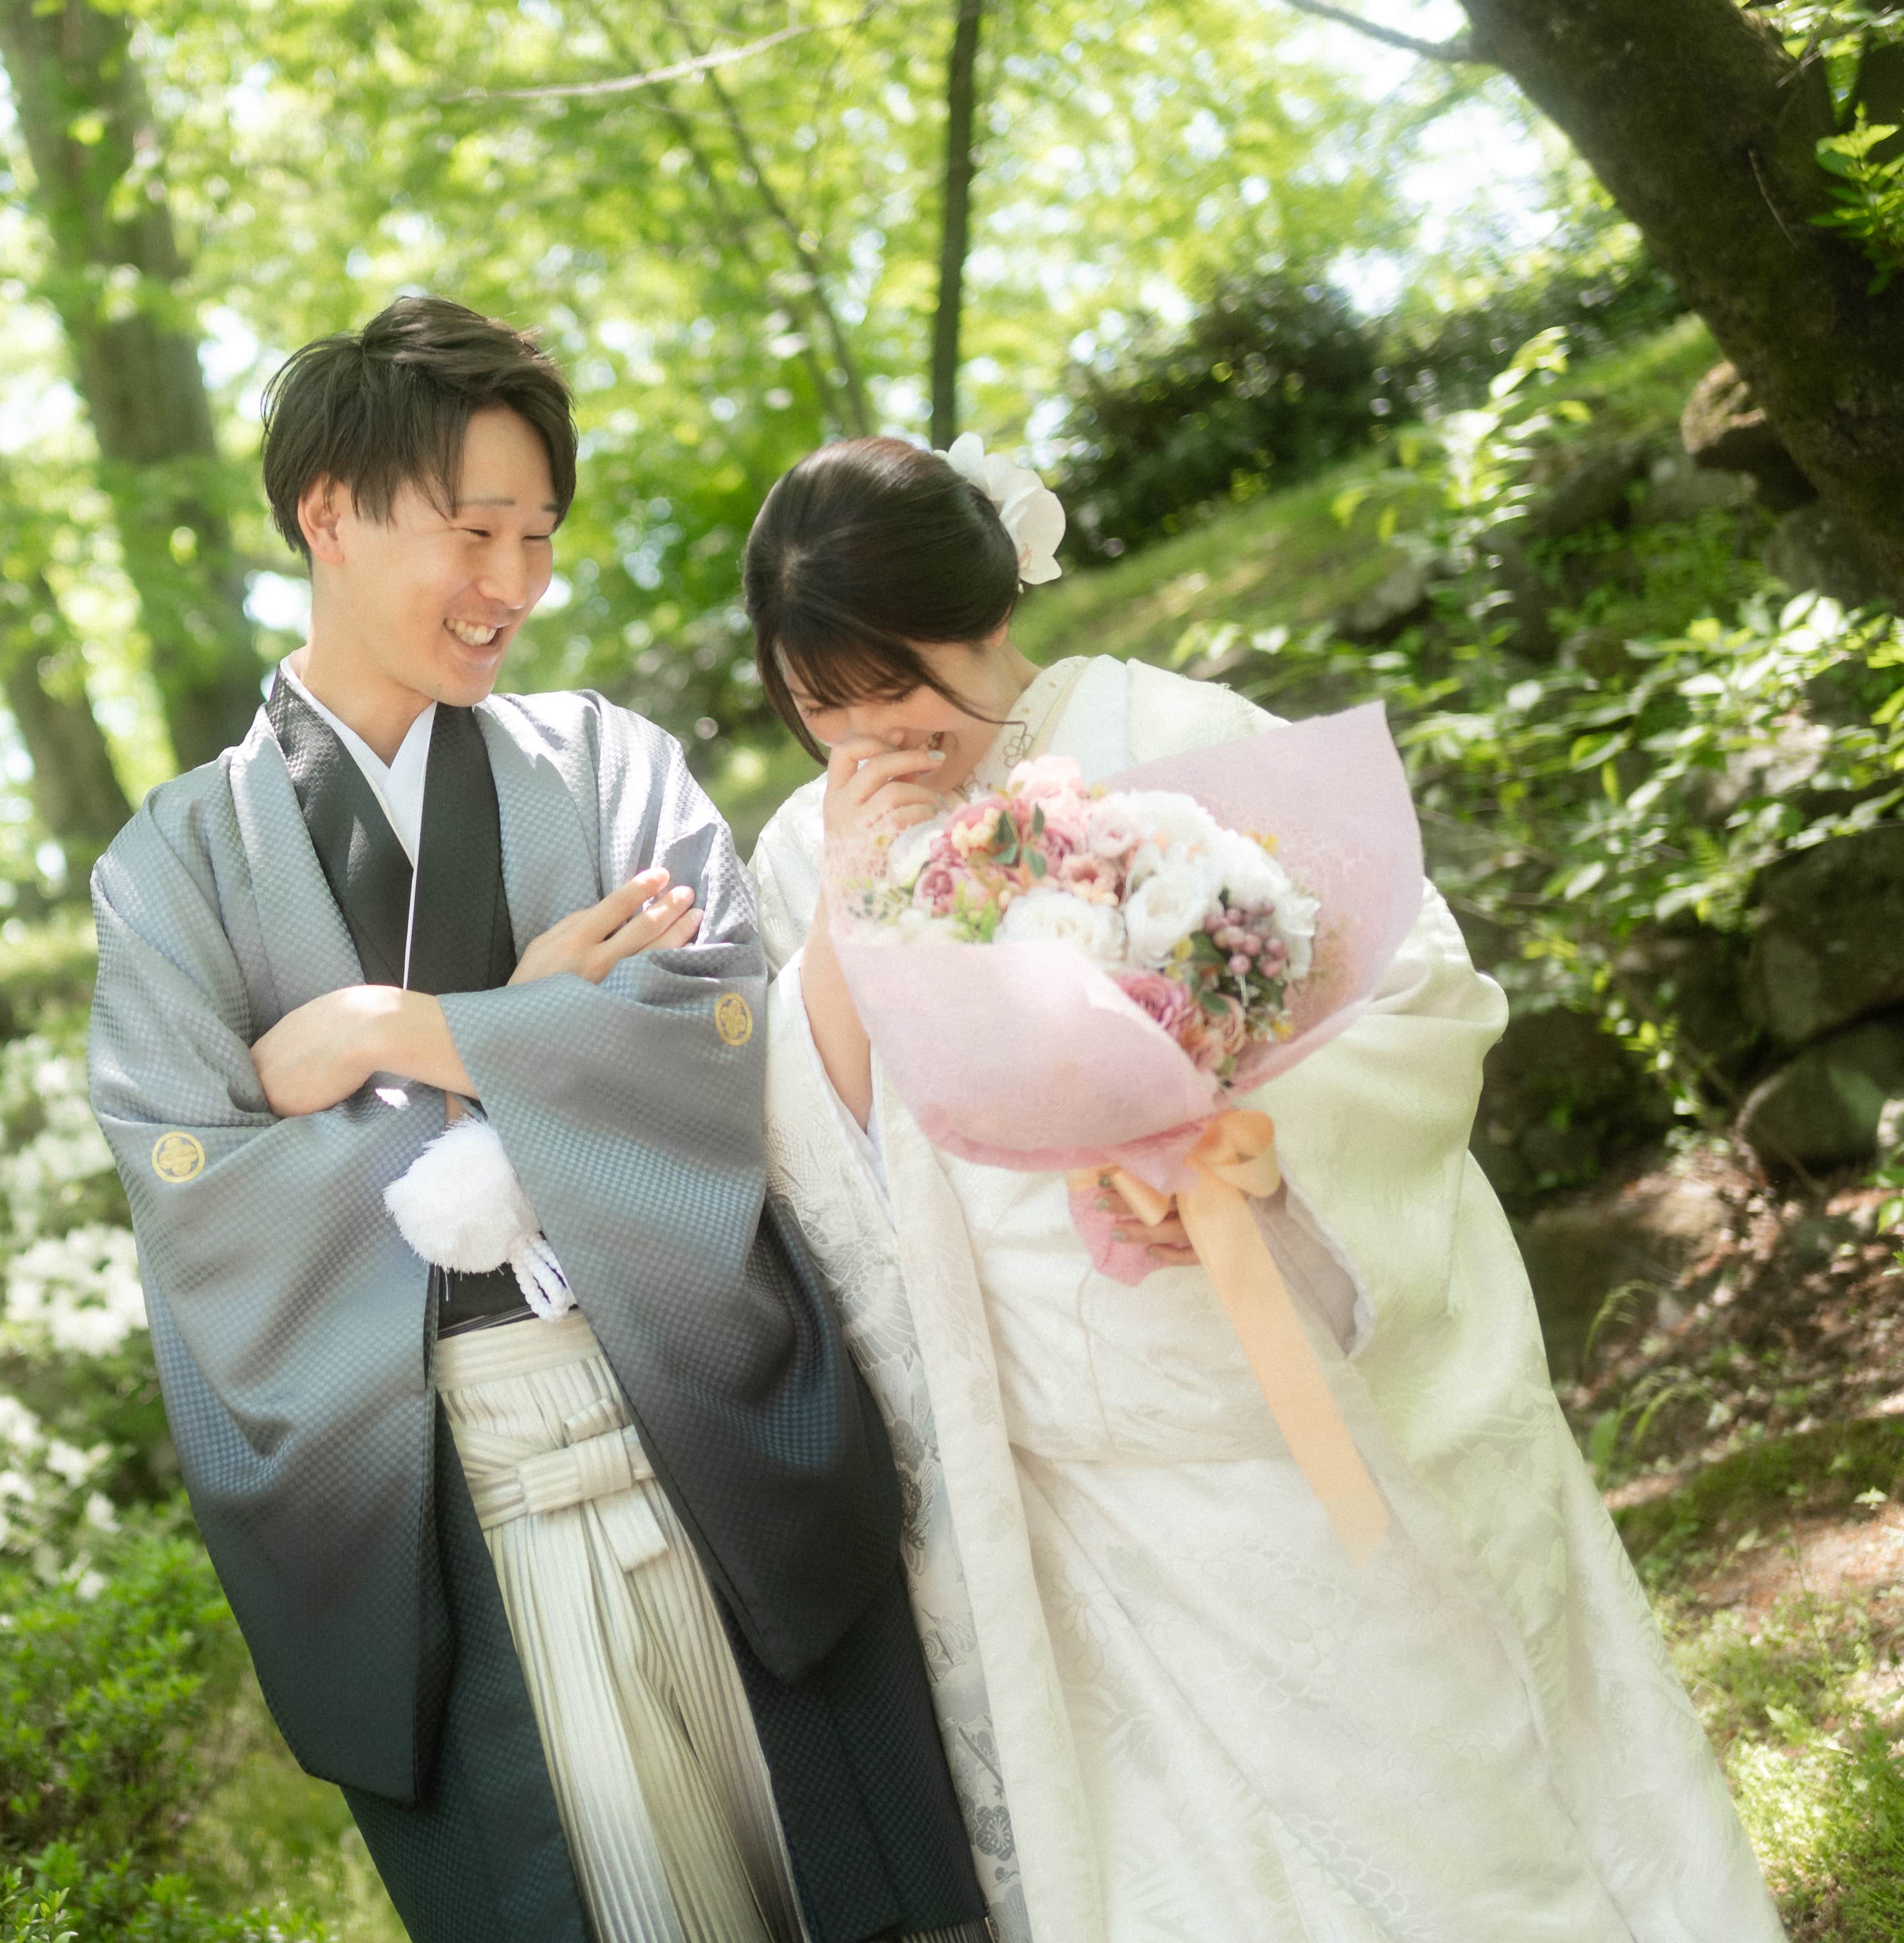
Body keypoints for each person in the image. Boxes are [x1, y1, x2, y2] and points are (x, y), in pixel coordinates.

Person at [740, 433, 1786, 1943]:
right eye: (821, 707)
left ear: (985, 614)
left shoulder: (1160, 727)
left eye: (893, 685)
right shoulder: (814, 841)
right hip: (1075, 1445)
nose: (868, 739)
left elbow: (1412, 984)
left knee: (1454, 1791)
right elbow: (824, 1128)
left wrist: (1236, 1142)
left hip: (1261, 1343)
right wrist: (851, 902)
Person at [86, 303, 990, 1943]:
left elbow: (720, 1036)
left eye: (541, 535)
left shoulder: (604, 766)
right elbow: (197, 1193)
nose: (516, 581)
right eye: (477, 530)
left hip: (696, 1416)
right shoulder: (176, 867)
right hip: (447, 1489)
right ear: (330, 514)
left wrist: (402, 1035)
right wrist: (534, 1035)